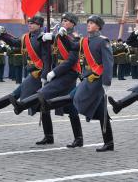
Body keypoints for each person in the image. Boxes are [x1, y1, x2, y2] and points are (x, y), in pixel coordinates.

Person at [37, 15, 114, 152]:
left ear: (99, 26)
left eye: (92, 23)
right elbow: (72, 46)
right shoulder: (84, 40)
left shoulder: (103, 41)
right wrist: (63, 37)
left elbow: (108, 63)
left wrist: (106, 82)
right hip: (88, 78)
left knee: (74, 96)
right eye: (88, 22)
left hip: (96, 80)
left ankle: (49, 104)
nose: (89, 25)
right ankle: (109, 142)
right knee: (101, 111)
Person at [14, 12, 83, 147]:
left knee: (48, 97)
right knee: (59, 105)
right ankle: (49, 136)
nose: (64, 22)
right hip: (57, 73)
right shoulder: (59, 36)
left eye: (67, 21)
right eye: (63, 20)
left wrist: (54, 72)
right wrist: (48, 38)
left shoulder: (75, 39)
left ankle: (22, 105)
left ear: (73, 24)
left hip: (67, 74)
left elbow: (70, 61)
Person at [0, 16, 51, 144]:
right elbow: (14, 42)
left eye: (33, 23)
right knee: (40, 103)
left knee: (24, 96)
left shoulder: (44, 38)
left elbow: (47, 59)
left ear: (40, 25)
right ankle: (49, 136)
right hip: (32, 73)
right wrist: (2, 34)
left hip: (39, 74)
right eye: (29, 23)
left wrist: (45, 76)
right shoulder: (26, 37)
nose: (30, 25)